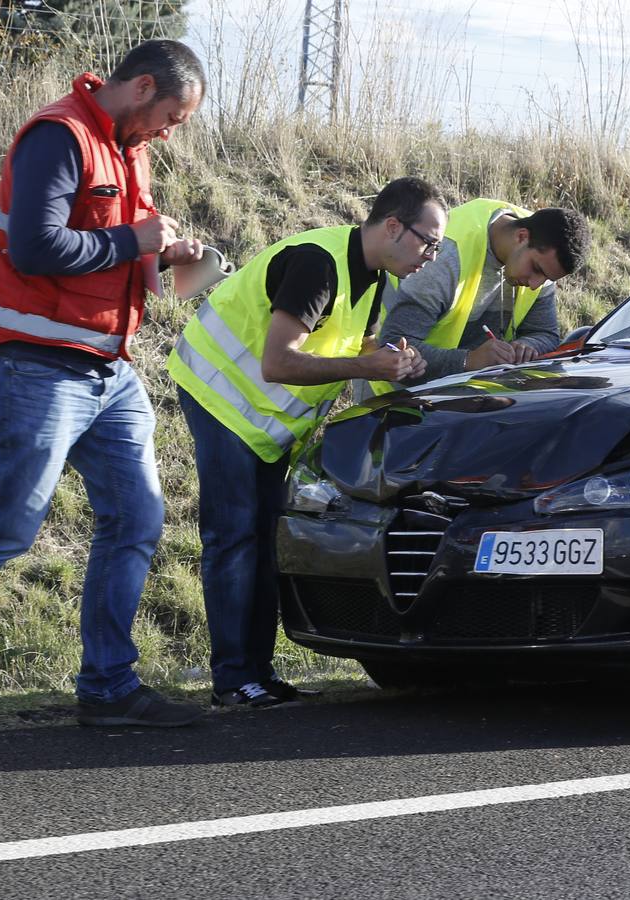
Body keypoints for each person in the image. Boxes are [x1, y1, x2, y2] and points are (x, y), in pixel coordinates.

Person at [0, 40, 209, 736]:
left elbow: (118, 248)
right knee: (8, 523)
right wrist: (136, 239)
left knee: (137, 518)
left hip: (110, 372)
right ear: (143, 87)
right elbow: (36, 249)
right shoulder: (57, 136)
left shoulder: (128, 147)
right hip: (36, 366)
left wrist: (163, 253)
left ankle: (108, 688)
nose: (169, 131)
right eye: (171, 117)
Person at [166, 176, 448, 709]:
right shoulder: (319, 264)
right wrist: (367, 363)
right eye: (428, 242)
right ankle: (232, 679)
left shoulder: (372, 275)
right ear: (392, 227)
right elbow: (278, 362)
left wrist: (389, 358)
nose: (432, 256)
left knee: (264, 540)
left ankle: (259, 674)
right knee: (234, 539)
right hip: (220, 396)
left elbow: (343, 340)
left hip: (264, 423)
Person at [377, 200, 590, 388]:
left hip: (463, 397)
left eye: (548, 279)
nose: (535, 285)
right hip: (393, 399)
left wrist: (528, 346)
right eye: (536, 269)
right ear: (521, 237)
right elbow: (393, 346)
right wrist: (469, 361)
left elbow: (546, 334)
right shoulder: (444, 258)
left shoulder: (543, 247)